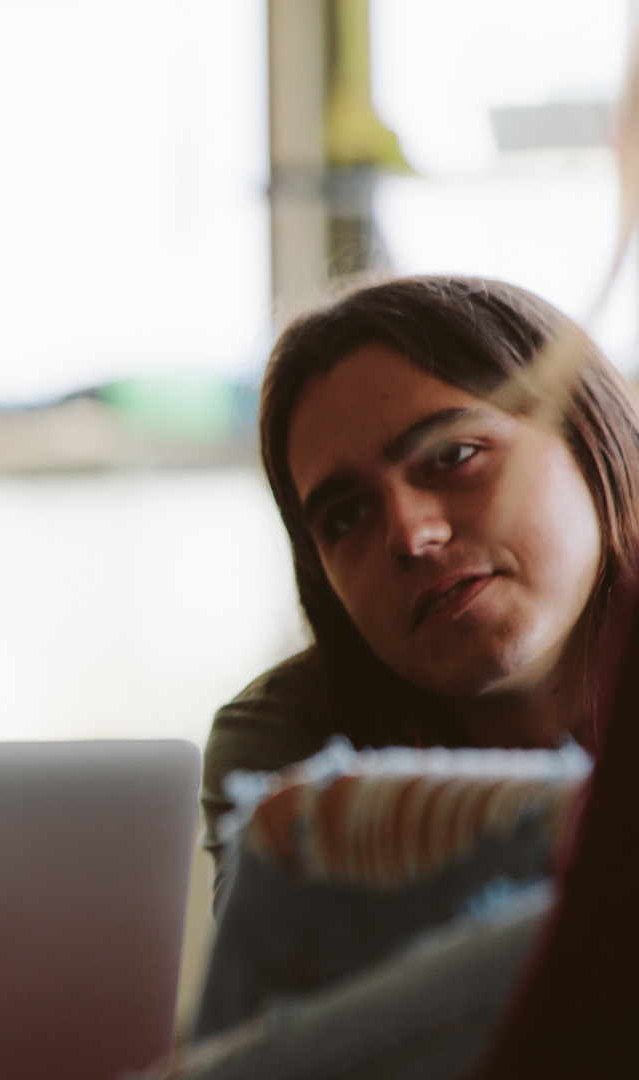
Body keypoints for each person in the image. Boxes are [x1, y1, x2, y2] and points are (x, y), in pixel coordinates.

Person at [200, 275, 639, 888]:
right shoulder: (289, 748)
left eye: (453, 457)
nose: (410, 535)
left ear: (589, 437)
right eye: (346, 516)